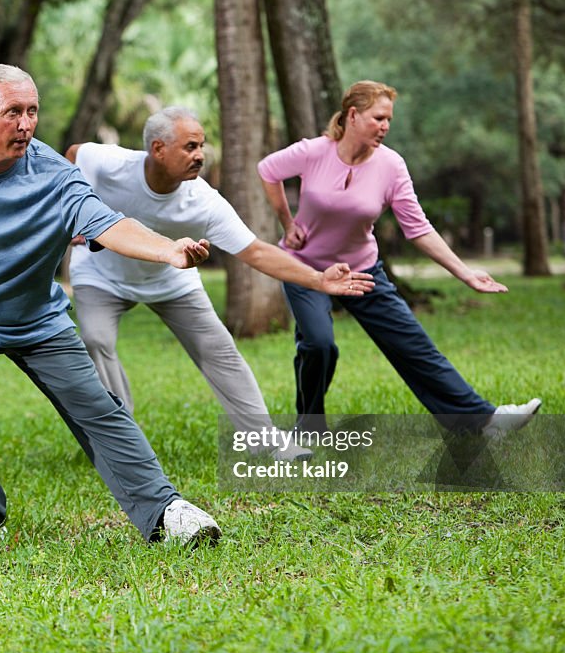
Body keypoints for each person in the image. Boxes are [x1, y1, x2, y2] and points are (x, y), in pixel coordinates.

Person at [0, 64, 221, 547]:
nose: (26, 123)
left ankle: (166, 511)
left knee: (99, 408)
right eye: (13, 111)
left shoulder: (54, 175)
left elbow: (108, 223)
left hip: (34, 318)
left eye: (32, 111)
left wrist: (168, 250)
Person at [64, 106, 375, 459]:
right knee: (95, 339)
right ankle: (122, 442)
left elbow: (257, 252)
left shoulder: (204, 201)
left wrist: (319, 279)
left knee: (220, 351)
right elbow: (74, 154)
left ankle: (267, 442)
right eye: (190, 147)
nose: (200, 156)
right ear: (158, 149)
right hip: (101, 273)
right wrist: (75, 212)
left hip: (171, 278)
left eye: (202, 146)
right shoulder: (112, 163)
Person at [257, 80, 541, 435]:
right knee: (318, 345)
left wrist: (464, 272)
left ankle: (484, 421)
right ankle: (309, 427)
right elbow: (268, 170)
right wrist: (287, 222)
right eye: (379, 118)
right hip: (304, 267)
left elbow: (418, 228)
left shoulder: (391, 166)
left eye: (389, 119)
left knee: (414, 347)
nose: (386, 127)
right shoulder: (314, 152)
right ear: (353, 115)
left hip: (361, 270)